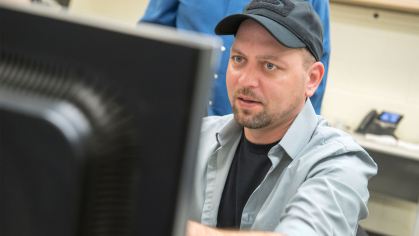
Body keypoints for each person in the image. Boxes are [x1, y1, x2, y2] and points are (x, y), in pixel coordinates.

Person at [185, 1, 377, 236]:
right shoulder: (195, 138)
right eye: (238, 59)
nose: (246, 80)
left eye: (269, 66)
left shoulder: (339, 161)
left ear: (312, 79)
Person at [140, 0, 330, 116]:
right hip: (179, 114)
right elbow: (152, 41)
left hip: (253, 127)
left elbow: (313, 61)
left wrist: (302, 144)